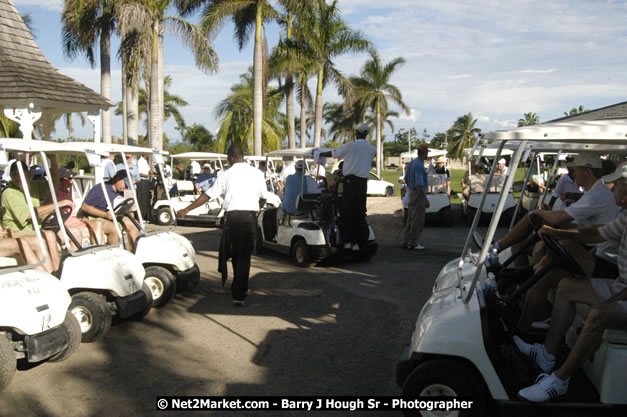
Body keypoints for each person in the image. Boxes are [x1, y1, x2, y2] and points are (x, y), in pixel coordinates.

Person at [514, 162, 627, 402]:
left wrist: (614, 299)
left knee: (598, 315)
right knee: (567, 288)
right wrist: (557, 233)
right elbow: (597, 233)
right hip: (621, 285)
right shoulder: (625, 217)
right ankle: (547, 354)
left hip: (623, 291)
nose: (612, 187)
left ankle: (560, 380)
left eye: (616, 184)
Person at [176, 144, 271, 305]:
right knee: (245, 256)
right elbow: (263, 197)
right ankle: (241, 291)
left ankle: (238, 291)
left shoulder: (225, 174)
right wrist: (258, 209)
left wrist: (186, 209)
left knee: (235, 254)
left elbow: (207, 196)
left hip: (233, 218)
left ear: (231, 158)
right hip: (249, 217)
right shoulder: (257, 173)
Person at [488, 153, 620, 266]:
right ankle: (519, 279)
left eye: (576, 169)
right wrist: (548, 214)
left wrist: (538, 212)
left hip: (592, 247)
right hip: (586, 239)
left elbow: (560, 218)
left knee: (531, 220)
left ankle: (497, 248)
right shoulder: (593, 191)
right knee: (519, 244)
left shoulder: (596, 193)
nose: (573, 173)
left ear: (588, 172)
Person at [318, 123, 376, 251]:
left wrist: (321, 154)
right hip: (362, 184)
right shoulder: (372, 149)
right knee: (360, 212)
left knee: (347, 212)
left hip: (350, 182)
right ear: (366, 134)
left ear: (357, 133)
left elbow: (334, 153)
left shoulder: (351, 146)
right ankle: (357, 243)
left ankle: (347, 241)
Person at [79, 170, 140, 247]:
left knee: (134, 224)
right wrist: (105, 215)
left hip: (112, 215)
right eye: (125, 184)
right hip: (95, 217)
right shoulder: (100, 189)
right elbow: (85, 207)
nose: (126, 187)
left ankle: (134, 251)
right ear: (118, 179)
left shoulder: (119, 191)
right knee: (115, 228)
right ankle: (114, 252)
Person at [402, 145, 430, 250]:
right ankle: (413, 242)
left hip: (411, 192)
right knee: (417, 219)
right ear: (424, 153)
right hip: (418, 193)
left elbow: (406, 178)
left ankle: (406, 241)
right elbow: (419, 184)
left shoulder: (413, 163)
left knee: (411, 218)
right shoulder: (419, 166)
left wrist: (411, 189)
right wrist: (425, 198)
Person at [278, 160, 321, 225]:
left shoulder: (289, 178)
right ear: (305, 169)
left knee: (277, 214)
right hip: (303, 213)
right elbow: (319, 190)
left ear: (295, 168)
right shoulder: (309, 179)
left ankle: (278, 234)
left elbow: (285, 191)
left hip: (288, 213)